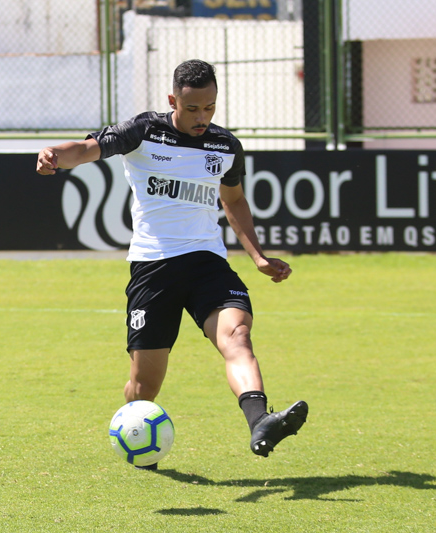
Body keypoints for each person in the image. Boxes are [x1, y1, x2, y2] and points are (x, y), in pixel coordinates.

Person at [36, 59, 307, 468]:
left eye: (210, 108)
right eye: (193, 108)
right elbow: (88, 149)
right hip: (154, 268)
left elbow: (233, 200)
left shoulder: (225, 146)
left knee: (237, 338)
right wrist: (55, 154)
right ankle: (135, 437)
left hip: (207, 263)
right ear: (173, 100)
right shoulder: (144, 131)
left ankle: (260, 421)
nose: (203, 118)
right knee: (145, 385)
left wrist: (258, 257)